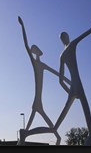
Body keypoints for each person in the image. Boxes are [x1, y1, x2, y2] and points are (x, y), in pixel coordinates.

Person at [17, 16, 71, 145]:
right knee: (50, 126)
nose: (40, 51)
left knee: (46, 124)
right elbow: (26, 44)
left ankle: (23, 137)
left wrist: (70, 81)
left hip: (38, 100)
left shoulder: (43, 65)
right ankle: (25, 136)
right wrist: (22, 26)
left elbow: (58, 74)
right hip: (37, 100)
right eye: (37, 49)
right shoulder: (35, 63)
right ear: (35, 52)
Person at [56, 12, 91, 146]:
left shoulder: (61, 56)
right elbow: (89, 30)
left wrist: (69, 91)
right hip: (78, 84)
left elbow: (60, 80)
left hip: (72, 87)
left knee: (65, 110)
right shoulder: (72, 45)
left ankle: (54, 129)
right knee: (85, 106)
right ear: (67, 38)